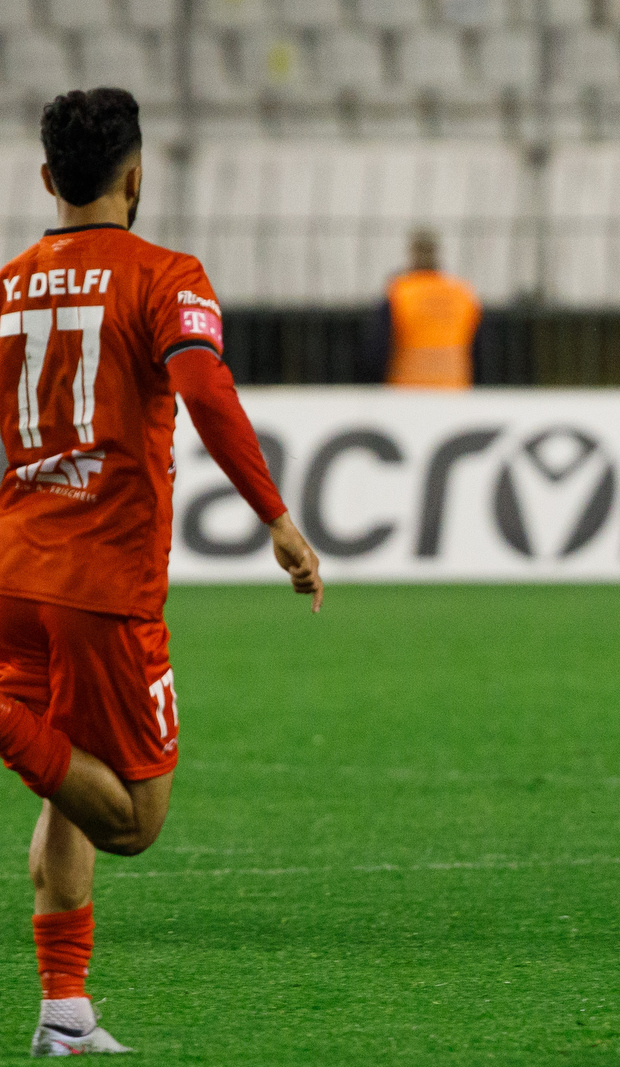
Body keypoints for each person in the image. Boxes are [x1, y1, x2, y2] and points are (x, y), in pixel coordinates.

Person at [0, 89, 323, 1056]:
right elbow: (202, 385)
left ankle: (65, 1011)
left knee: (71, 788)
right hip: (102, 583)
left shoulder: (8, 283)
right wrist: (276, 515)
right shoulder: (163, 275)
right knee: (134, 816)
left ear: (51, 179)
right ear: (136, 177)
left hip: (13, 571)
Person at [359, 228, 482, 389]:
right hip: (454, 388)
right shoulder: (462, 293)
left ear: (412, 254)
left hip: (408, 389)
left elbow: (378, 349)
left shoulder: (400, 292)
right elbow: (480, 350)